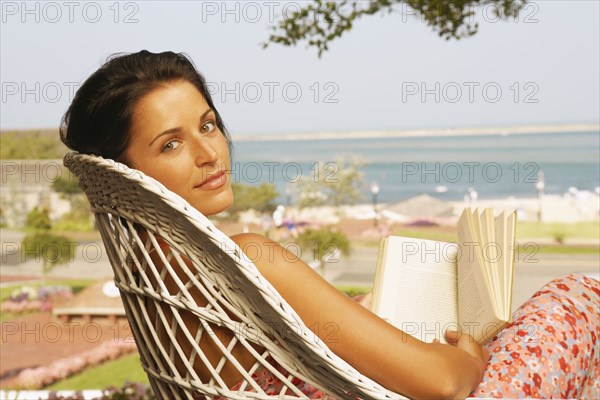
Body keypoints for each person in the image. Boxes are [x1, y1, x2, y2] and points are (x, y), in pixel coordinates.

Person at [60, 50, 599, 399]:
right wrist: (464, 357)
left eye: (209, 125)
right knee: (576, 298)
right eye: (171, 143)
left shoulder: (151, 270)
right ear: (125, 171)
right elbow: (450, 386)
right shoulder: (249, 259)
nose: (209, 153)